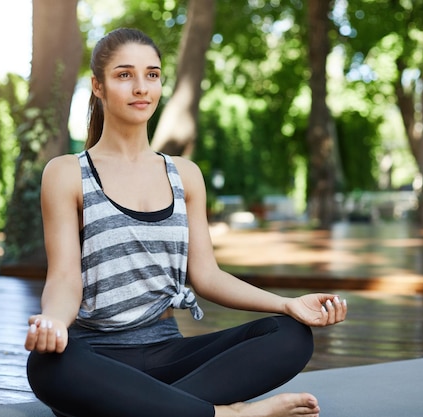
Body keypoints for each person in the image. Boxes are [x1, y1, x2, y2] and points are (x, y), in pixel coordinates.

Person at [24, 27, 347, 417]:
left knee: (291, 335)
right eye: (125, 75)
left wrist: (289, 304)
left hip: (168, 355)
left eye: (153, 74)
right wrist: (54, 323)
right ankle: (228, 414)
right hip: (96, 361)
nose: (142, 87)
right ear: (98, 86)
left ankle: (150, 410)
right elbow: (63, 278)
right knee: (47, 365)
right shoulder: (66, 173)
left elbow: (207, 275)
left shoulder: (184, 175)